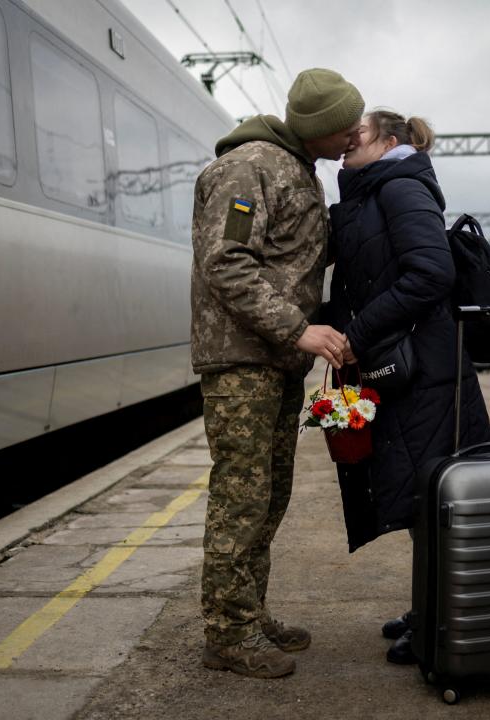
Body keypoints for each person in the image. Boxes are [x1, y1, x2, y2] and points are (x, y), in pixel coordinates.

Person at [191, 68, 364, 678]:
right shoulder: (251, 166)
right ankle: (227, 634)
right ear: (317, 127)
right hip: (243, 359)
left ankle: (248, 612)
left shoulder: (300, 170)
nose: (351, 135)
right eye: (344, 126)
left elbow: (293, 256)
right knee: (240, 496)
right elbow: (226, 262)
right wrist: (298, 329)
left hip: (276, 361)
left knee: (267, 494)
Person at [326, 110, 490, 664]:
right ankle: (430, 609)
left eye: (361, 134)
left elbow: (431, 273)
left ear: (390, 142)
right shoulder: (375, 192)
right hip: (404, 369)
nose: (350, 141)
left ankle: (443, 624)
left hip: (426, 371)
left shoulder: (400, 188)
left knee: (434, 499)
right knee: (423, 498)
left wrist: (356, 333)